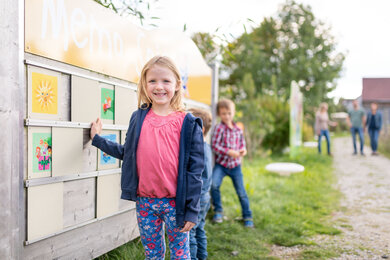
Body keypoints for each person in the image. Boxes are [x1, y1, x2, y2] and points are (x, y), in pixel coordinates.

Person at [90, 56, 204, 259]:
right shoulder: (138, 117)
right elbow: (128, 153)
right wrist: (97, 139)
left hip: (175, 203)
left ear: (177, 85)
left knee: (180, 254)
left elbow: (195, 170)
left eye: (165, 81)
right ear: (144, 84)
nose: (159, 86)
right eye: (152, 81)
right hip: (145, 203)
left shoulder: (187, 122)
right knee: (153, 254)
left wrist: (192, 209)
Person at [210, 99, 253, 228]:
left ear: (233, 113)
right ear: (219, 114)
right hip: (221, 165)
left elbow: (242, 144)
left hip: (235, 166)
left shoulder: (238, 130)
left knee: (241, 192)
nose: (226, 116)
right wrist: (228, 152)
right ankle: (218, 211)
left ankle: (247, 216)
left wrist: (243, 150)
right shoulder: (219, 128)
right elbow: (215, 145)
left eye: (229, 113)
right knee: (214, 185)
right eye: (223, 114)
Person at [188, 108, 212, 260]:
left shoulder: (198, 151)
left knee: (189, 233)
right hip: (205, 197)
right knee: (199, 229)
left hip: (197, 198)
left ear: (201, 129)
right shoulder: (206, 148)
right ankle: (203, 257)